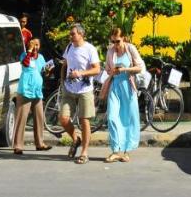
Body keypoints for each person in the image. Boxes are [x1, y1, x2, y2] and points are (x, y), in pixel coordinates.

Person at [59, 22, 100, 164]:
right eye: (70, 34)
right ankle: (76, 139)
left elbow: (96, 69)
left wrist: (81, 73)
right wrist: (62, 81)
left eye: (73, 34)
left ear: (81, 34)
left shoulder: (90, 49)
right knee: (63, 119)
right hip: (69, 89)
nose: (70, 36)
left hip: (85, 90)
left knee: (84, 121)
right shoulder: (69, 47)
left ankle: (84, 152)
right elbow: (64, 65)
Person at [102, 27, 144, 163]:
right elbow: (107, 69)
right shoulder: (110, 51)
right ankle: (115, 150)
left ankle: (126, 151)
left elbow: (139, 67)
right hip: (115, 86)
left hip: (128, 85)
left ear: (124, 38)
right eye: (113, 41)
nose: (115, 44)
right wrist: (112, 71)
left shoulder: (130, 49)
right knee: (112, 117)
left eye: (117, 41)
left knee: (128, 118)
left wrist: (124, 69)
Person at [12, 37, 53, 155]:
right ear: (29, 45)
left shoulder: (40, 58)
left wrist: (48, 71)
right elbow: (25, 64)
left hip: (37, 91)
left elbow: (43, 72)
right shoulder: (24, 55)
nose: (35, 47)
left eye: (37, 45)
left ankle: (40, 143)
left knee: (39, 118)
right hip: (25, 90)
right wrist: (29, 51)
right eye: (33, 44)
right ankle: (18, 145)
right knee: (21, 118)